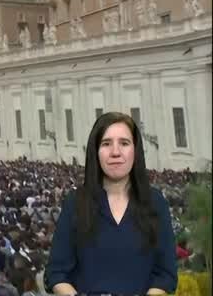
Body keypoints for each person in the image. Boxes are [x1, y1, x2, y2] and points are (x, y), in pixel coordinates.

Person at [44, 112, 177, 295]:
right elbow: (56, 273)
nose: (115, 152)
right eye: (106, 143)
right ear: (95, 151)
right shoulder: (75, 202)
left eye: (124, 143)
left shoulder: (155, 203)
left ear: (136, 151)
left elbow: (166, 274)